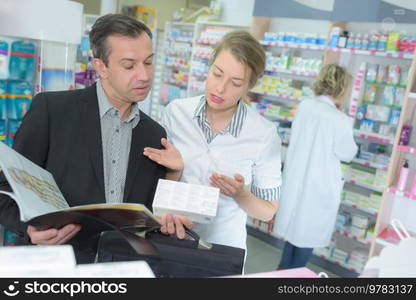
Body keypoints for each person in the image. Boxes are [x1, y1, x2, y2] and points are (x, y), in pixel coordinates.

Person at [0, 14, 171, 263]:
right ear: (101, 67)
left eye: (148, 62)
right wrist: (29, 229)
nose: (144, 75)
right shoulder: (52, 111)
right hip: (54, 266)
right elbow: (6, 187)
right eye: (129, 65)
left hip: (120, 270)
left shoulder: (155, 135)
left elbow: (148, 214)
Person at [143, 31, 282, 250]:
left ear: (249, 87)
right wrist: (175, 171)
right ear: (209, 67)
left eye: (235, 83)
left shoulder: (264, 134)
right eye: (217, 74)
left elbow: (267, 211)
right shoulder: (176, 113)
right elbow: (156, 184)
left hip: (224, 249)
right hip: (170, 240)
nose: (220, 88)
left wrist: (241, 194)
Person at [275, 64, 358, 270]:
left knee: (294, 236)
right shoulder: (340, 119)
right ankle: (290, 280)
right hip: (319, 188)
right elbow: (348, 153)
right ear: (342, 89)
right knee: (305, 241)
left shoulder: (305, 106)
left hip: (297, 181)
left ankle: (280, 274)